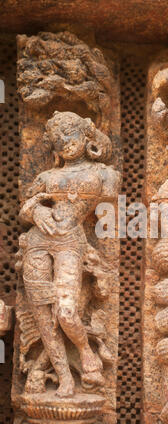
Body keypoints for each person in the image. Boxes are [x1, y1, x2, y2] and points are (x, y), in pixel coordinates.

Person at [19, 111, 120, 397]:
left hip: (70, 243)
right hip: (38, 242)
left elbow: (111, 210)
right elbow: (25, 209)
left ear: (85, 134)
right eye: (57, 138)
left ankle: (86, 351)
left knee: (65, 312)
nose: (65, 141)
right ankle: (64, 377)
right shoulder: (47, 176)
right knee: (43, 315)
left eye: (70, 132)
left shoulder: (104, 174)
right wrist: (36, 210)